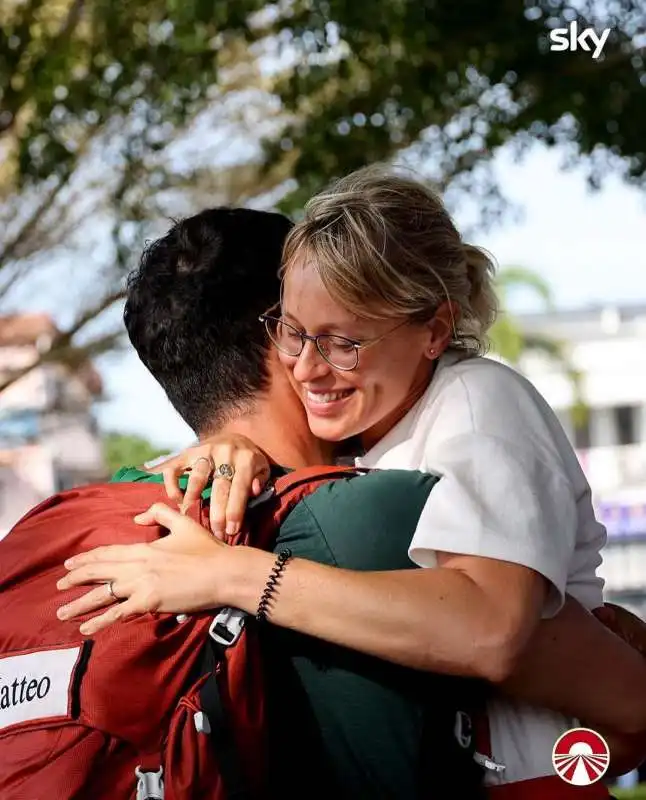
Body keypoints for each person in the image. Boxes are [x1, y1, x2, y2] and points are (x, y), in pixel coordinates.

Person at [58, 199, 646, 797]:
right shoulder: (366, 433)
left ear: (435, 329)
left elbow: (492, 634)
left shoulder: (475, 401)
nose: (309, 368)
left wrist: (235, 575)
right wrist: (236, 447)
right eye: (294, 333)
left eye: (344, 341)